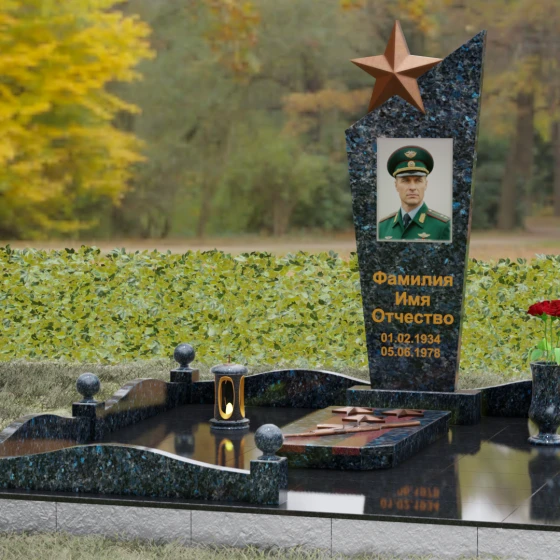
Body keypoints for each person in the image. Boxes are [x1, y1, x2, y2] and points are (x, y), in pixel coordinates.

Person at [378, 145, 451, 241]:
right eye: (405, 180)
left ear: (425, 184)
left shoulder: (442, 226)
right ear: (396, 185)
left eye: (418, 180)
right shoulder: (382, 227)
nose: (412, 187)